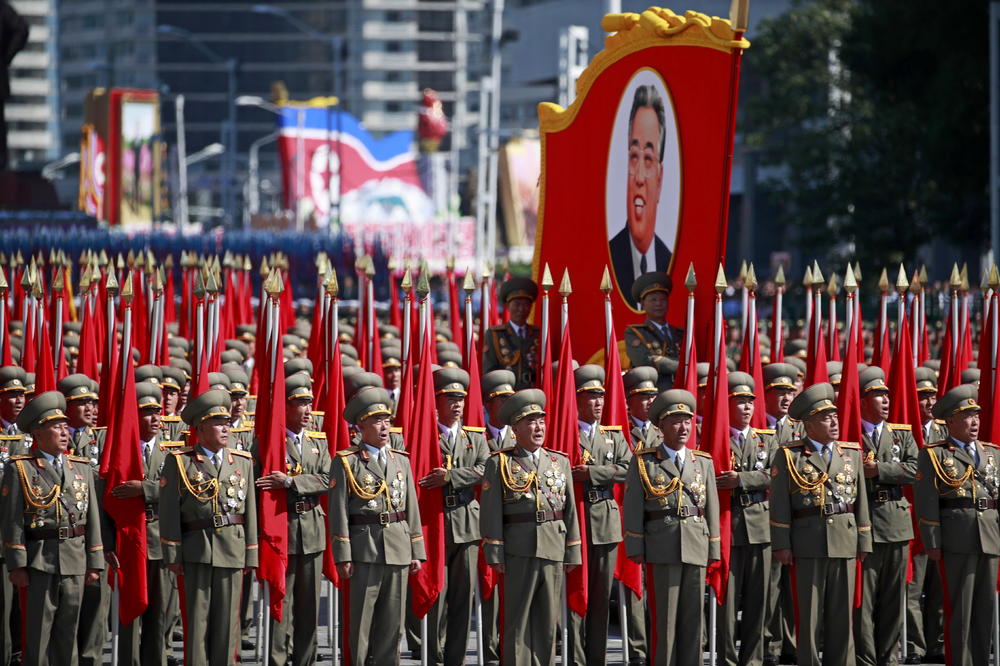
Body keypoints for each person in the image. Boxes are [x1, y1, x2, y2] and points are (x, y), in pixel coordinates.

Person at [770, 382, 872, 666]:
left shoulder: (850, 453)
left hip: (845, 539)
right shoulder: (789, 455)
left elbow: (861, 500)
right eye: (826, 418)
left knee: (843, 614)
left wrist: (864, 540)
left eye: (835, 416)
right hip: (808, 541)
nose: (834, 422)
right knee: (810, 615)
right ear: (809, 424)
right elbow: (779, 503)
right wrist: (781, 544)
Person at [1, 391, 103, 666]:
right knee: (37, 635)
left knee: (68, 634)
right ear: (38, 431)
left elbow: (92, 518)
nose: (63, 432)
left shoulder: (80, 467)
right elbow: (12, 521)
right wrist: (17, 565)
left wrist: (94, 560)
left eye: (64, 426)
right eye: (55, 427)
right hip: (39, 562)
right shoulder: (20, 469)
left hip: (75, 559)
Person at [480, 389, 581, 665]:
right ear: (515, 429)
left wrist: (573, 551)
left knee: (548, 620)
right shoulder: (499, 462)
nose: (538, 428)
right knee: (517, 619)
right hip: (517, 549)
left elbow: (569, 511)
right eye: (530, 422)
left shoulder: (559, 461)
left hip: (553, 546)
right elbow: (491, 512)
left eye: (541, 421)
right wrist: (495, 553)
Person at [159, 389, 258, 666]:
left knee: (228, 625)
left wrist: (251, 553)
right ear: (200, 427)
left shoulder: (242, 461)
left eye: (227, 422)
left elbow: (249, 510)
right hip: (196, 549)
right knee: (197, 625)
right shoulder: (180, 461)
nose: (225, 428)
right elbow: (168, 513)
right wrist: (173, 555)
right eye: (218, 423)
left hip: (232, 548)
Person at [623, 388, 719, 666]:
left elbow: (710, 505)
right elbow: (633, 508)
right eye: (676, 421)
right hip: (662, 546)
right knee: (664, 620)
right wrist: (635, 546)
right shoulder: (645, 461)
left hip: (696, 544)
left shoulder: (702, 461)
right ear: (661, 425)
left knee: (693, 620)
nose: (683, 427)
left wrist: (713, 547)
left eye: (687, 421)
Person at [330, 388, 425, 666]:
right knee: (360, 623)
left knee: (392, 625)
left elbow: (412, 509)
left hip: (397, 547)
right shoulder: (346, 461)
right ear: (361, 425)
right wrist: (343, 554)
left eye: (387, 419)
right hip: (364, 549)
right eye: (377, 420)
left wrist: (416, 548)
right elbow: (338, 511)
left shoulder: (401, 460)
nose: (385, 427)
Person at [915, 385, 1000, 666]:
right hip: (956, 539)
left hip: (989, 537)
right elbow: (927, 502)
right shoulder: (934, 454)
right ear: (950, 420)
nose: (974, 422)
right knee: (959, 610)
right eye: (967, 416)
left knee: (984, 609)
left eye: (976, 416)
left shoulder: (992, 453)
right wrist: (933, 542)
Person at [254, 375, 331, 666]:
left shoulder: (318, 441)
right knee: (280, 601)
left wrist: (290, 482)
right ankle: (276, 658)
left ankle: (305, 659)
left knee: (309, 605)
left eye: (310, 403)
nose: (308, 410)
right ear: (285, 407)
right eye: (301, 403)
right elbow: (257, 484)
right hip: (281, 529)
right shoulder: (267, 442)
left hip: (311, 527)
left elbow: (328, 479)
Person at [414, 368, 489, 665]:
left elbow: (487, 469)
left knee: (462, 597)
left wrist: (451, 476)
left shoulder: (476, 437)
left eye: (460, 398)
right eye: (449, 398)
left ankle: (455, 657)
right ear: (437, 401)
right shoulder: (424, 435)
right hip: (435, 522)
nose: (457, 404)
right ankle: (432, 653)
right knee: (436, 594)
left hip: (467, 523)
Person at [564, 365, 632, 666]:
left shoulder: (613, 436)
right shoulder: (564, 432)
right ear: (576, 399)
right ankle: (575, 656)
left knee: (602, 596)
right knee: (576, 592)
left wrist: (592, 472)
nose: (598, 403)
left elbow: (630, 469)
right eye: (591, 397)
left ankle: (596, 657)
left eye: (601, 397)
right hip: (575, 522)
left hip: (604, 522)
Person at [114, 382, 183, 666]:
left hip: (159, 538)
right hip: (129, 539)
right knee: (130, 608)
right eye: (147, 412)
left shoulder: (173, 451)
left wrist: (144, 489)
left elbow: (182, 489)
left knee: (159, 612)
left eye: (158, 412)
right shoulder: (119, 447)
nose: (156, 418)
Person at [854, 366, 918, 666]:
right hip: (864, 524)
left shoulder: (901, 435)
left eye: (886, 395)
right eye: (877, 395)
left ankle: (888, 657)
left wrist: (881, 469)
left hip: (896, 522)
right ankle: (866, 658)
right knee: (864, 601)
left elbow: (919, 469)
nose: (885, 400)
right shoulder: (849, 436)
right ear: (863, 400)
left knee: (894, 598)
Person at [717, 372, 777, 666]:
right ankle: (727, 657)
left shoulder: (767, 439)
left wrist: (741, 478)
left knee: (759, 598)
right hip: (729, 524)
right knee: (727, 600)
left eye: (750, 403)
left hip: (760, 525)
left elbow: (777, 476)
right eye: (740, 402)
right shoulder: (714, 437)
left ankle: (752, 658)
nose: (747, 408)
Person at [58, 373, 111, 666]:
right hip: (64, 534)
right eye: (82, 403)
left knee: (95, 604)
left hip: (98, 532)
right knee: (65, 610)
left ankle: (90, 658)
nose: (90, 409)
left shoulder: (104, 437)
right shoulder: (48, 436)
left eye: (93, 402)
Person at [609, 84, 672, 307]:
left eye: (648, 159)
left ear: (660, 177)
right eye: (634, 157)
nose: (639, 178)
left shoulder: (671, 262)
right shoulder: (609, 260)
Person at [905, 367, 946, 664]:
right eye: (922, 397)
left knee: (940, 588)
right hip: (911, 518)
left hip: (942, 517)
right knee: (913, 588)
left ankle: (938, 643)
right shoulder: (903, 431)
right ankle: (915, 646)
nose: (929, 402)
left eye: (932, 395)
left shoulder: (945, 430)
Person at [479, 369, 516, 666]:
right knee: (488, 586)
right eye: (499, 400)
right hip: (482, 519)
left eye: (509, 399)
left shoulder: (522, 436)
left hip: (516, 523)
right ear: (487, 405)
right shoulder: (477, 435)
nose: (505, 406)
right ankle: (490, 648)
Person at [482, 278, 541, 390]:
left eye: (526, 305)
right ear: (508, 307)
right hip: (506, 393)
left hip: (533, 391)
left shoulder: (538, 334)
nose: (521, 309)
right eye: (517, 304)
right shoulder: (495, 334)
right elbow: (489, 370)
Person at [623, 272, 684, 369]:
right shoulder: (635, 333)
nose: (658, 304)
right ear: (643, 303)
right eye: (653, 300)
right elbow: (642, 361)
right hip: (654, 383)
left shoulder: (681, 333)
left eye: (663, 299)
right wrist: (682, 367)